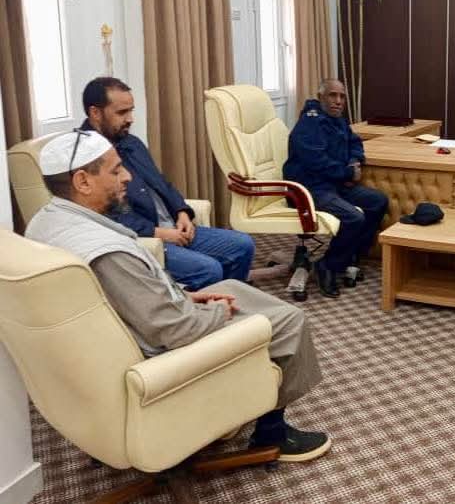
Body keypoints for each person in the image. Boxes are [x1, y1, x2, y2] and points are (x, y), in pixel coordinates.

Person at [26, 130, 331, 461]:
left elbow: (128, 297)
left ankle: (233, 401)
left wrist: (184, 295)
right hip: (159, 349)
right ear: (83, 182)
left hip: (136, 323)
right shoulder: (107, 253)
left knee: (232, 287)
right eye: (116, 170)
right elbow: (175, 329)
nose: (127, 176)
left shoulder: (45, 222)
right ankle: (272, 434)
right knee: (289, 321)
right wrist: (217, 311)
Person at [80, 77, 255, 290]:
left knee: (242, 245)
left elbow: (162, 183)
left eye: (131, 111)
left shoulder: (130, 142)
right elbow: (104, 215)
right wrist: (160, 233)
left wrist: (182, 213)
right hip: (144, 239)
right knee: (209, 270)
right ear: (95, 113)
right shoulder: (84, 156)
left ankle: (229, 299)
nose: (130, 119)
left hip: (173, 226)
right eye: (122, 112)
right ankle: (198, 308)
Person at [283, 79, 389, 298]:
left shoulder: (337, 119)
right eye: (333, 95)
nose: (338, 101)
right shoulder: (310, 123)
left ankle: (350, 256)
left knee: (377, 201)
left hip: (333, 184)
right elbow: (316, 162)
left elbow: (355, 143)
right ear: (321, 97)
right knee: (353, 218)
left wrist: (354, 162)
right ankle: (328, 266)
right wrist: (348, 173)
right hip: (310, 189)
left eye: (342, 97)